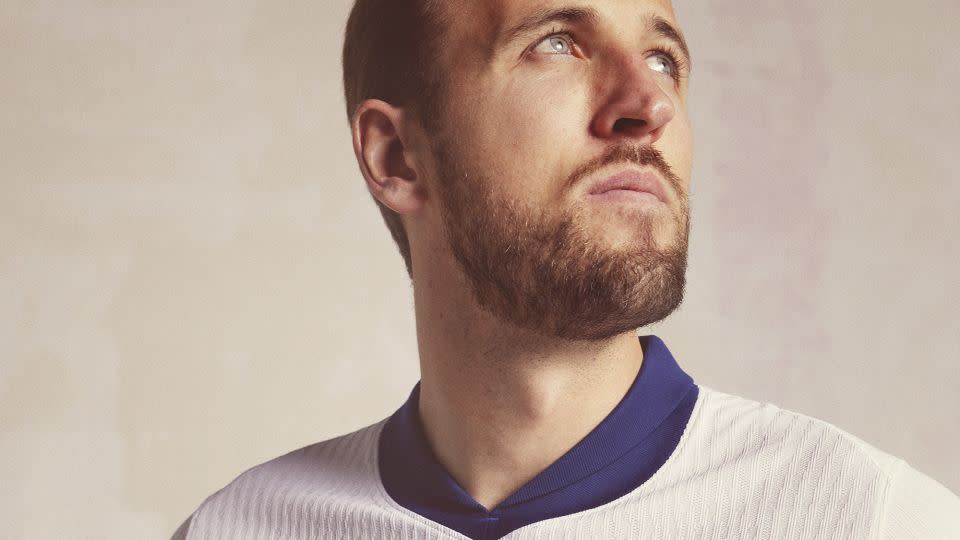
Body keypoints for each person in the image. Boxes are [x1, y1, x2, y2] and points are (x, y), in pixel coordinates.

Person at [173, 0, 960, 538]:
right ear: (396, 156)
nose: (647, 103)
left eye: (663, 57)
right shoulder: (240, 527)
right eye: (556, 41)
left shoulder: (873, 521)